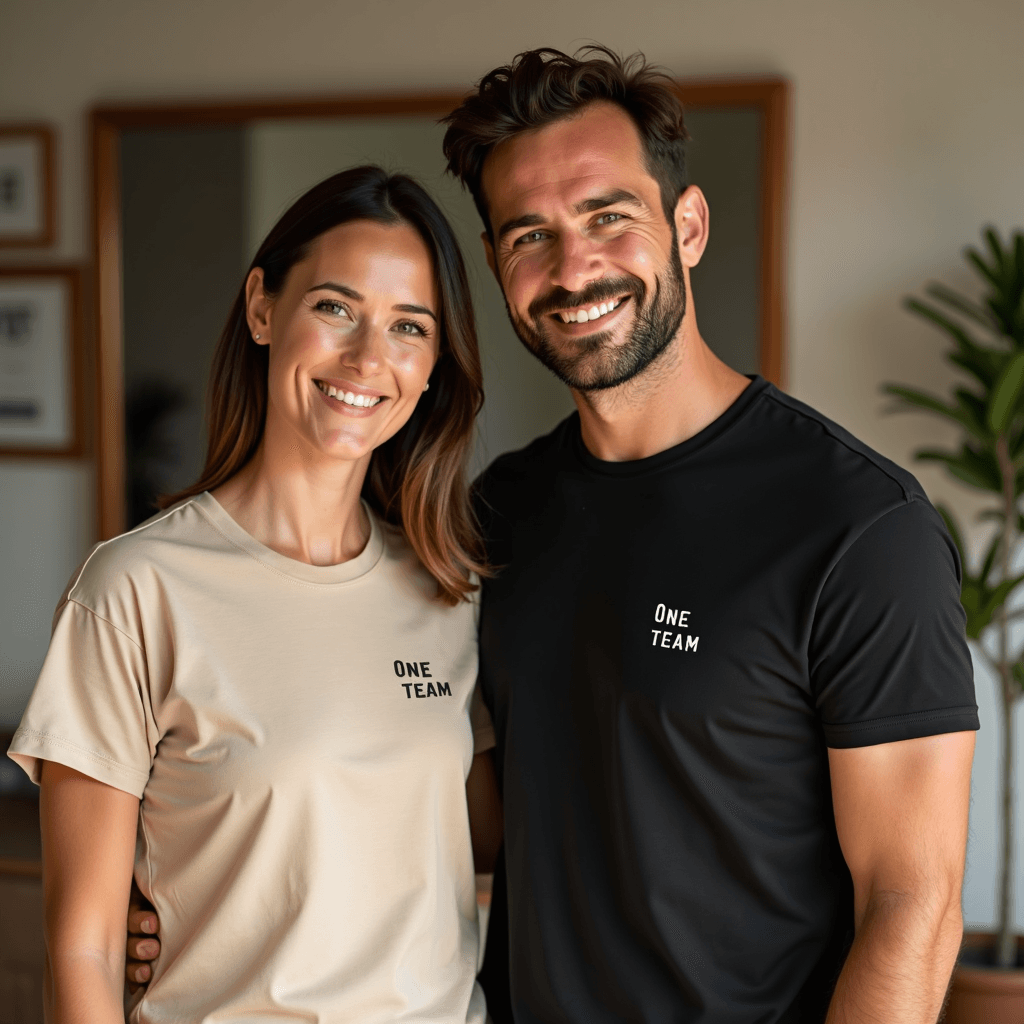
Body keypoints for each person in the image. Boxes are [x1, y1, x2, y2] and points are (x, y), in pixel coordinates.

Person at [127, 47, 980, 1024]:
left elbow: (912, 907)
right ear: (493, 264)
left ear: (687, 225)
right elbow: (417, 787)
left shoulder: (855, 525)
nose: (572, 268)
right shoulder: (493, 516)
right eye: (529, 235)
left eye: (607, 218)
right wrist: (166, 882)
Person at [8, 165, 503, 1024]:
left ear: (432, 368)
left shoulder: (448, 589)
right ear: (263, 308)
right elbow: (82, 950)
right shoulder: (135, 590)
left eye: (409, 327)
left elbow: (478, 845)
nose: (367, 358)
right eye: (335, 308)